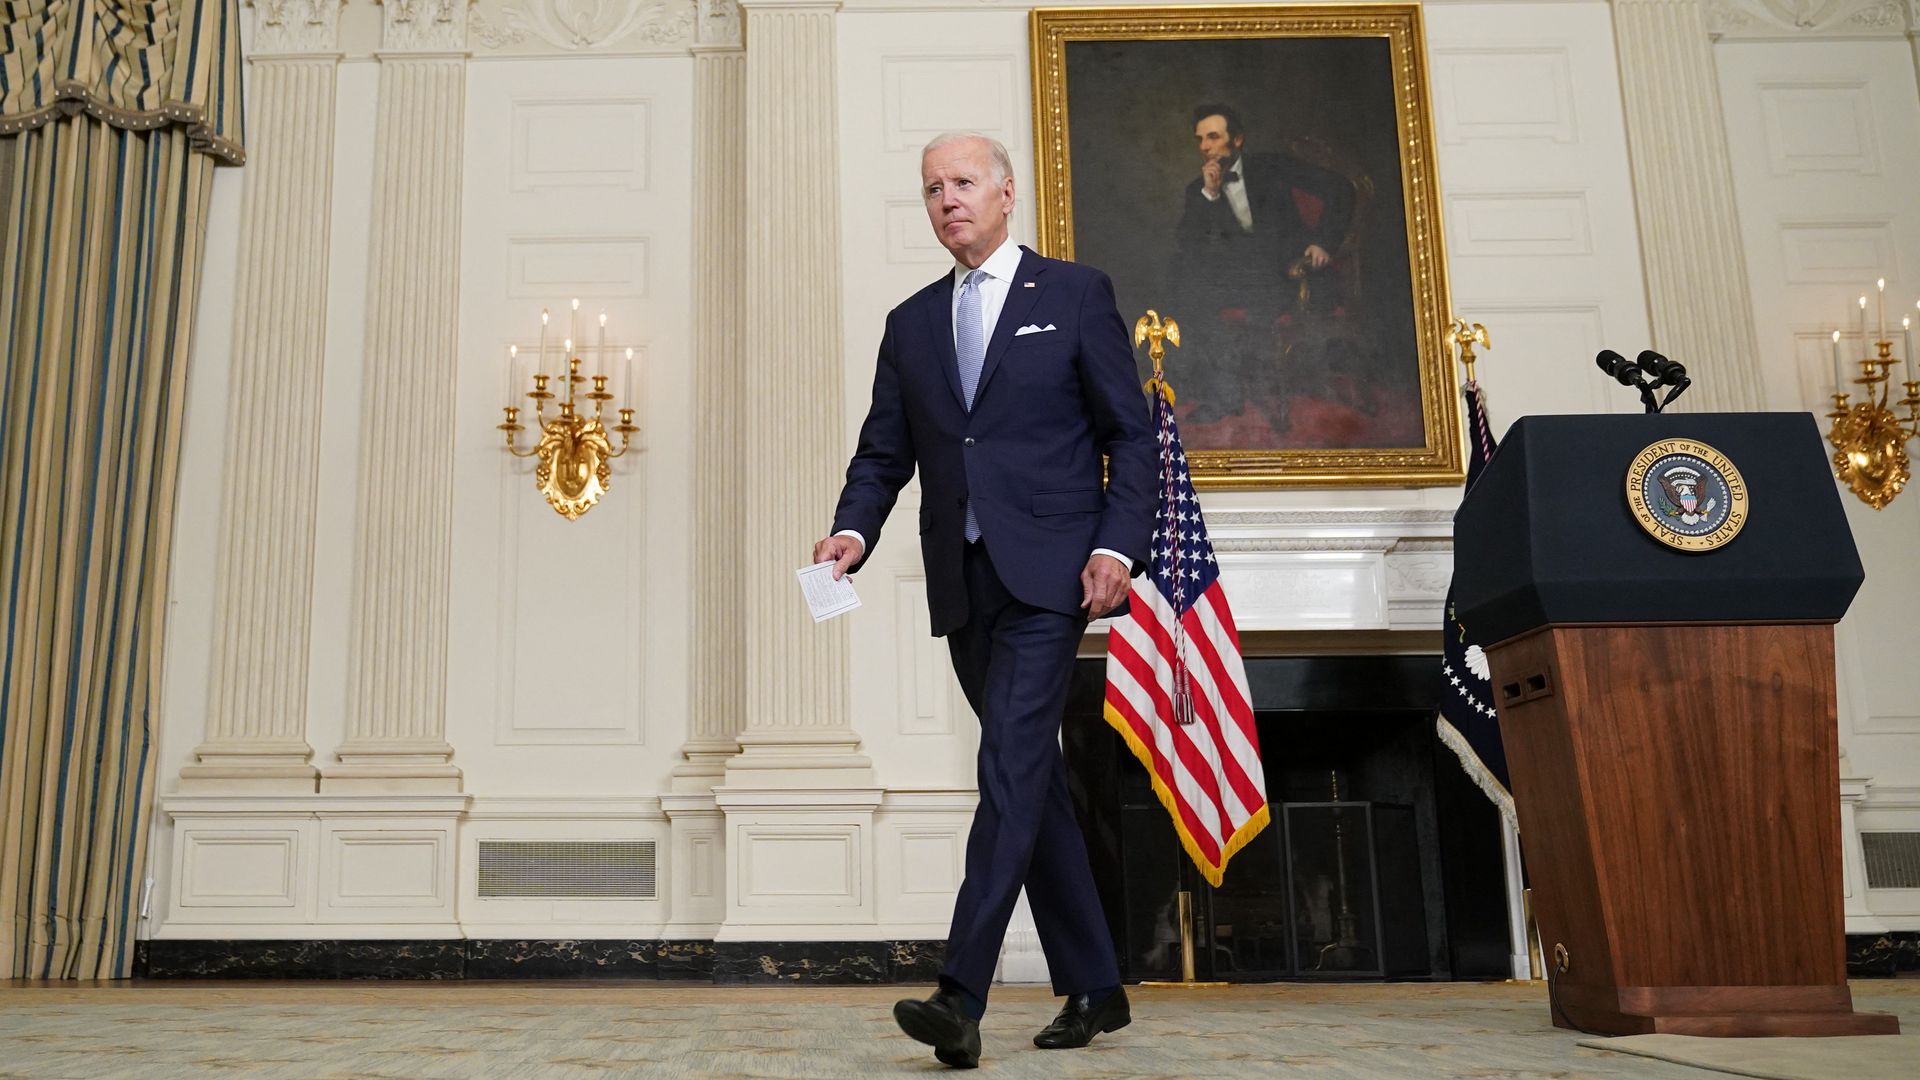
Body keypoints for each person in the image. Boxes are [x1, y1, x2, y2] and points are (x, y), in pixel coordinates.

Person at [811, 132, 1156, 1069]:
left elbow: (1134, 432)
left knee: (1005, 767)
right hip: (963, 584)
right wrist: (852, 530)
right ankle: (1096, 986)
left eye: (963, 183)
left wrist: (1117, 544)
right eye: (931, 189)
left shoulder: (1075, 293)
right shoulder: (911, 321)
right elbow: (885, 451)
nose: (947, 199)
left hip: (1053, 575)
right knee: (1028, 781)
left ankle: (960, 992)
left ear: (1007, 194)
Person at [1170, 104, 1357, 423]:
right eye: (1200, 139)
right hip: (1244, 280)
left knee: (1234, 289)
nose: (1205, 147)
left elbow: (1341, 189)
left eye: (1213, 137)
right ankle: (1225, 397)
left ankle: (1268, 393)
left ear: (1238, 140)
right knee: (1186, 280)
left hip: (1294, 275)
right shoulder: (1197, 190)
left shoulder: (1274, 166)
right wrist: (1210, 195)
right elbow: (1188, 244)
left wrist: (1323, 241)